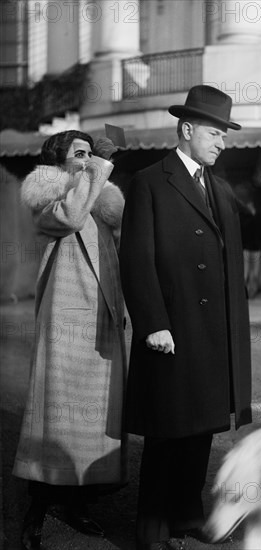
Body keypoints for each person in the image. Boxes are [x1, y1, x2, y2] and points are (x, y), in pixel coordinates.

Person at [119, 85, 261, 550]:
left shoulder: (218, 187)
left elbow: (250, 238)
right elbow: (136, 258)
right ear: (187, 128)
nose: (222, 143)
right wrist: (153, 322)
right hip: (173, 330)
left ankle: (185, 515)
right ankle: (153, 529)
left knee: (199, 433)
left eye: (225, 135)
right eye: (215, 133)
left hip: (216, 334)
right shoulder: (150, 181)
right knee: (166, 434)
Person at [13, 130, 127, 550]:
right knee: (55, 421)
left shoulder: (100, 202)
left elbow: (115, 260)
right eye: (79, 154)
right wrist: (97, 167)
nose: (88, 159)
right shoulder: (50, 198)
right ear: (59, 162)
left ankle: (78, 503)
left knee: (96, 423)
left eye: (91, 153)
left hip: (103, 322)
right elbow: (72, 217)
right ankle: (36, 510)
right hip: (64, 328)